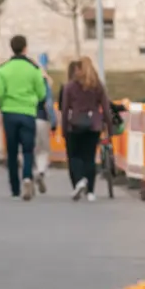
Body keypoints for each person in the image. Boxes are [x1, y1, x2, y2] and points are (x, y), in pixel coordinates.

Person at [0, 35, 47, 201]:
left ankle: (15, 189)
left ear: (11, 48)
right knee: (28, 150)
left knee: (12, 151)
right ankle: (27, 177)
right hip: (28, 113)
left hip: (9, 113)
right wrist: (34, 101)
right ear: (25, 48)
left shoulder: (3, 69)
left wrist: (2, 106)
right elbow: (42, 93)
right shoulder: (33, 69)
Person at [61, 56, 113, 202]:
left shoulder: (69, 87)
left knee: (75, 156)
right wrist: (109, 127)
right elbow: (106, 108)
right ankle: (91, 191)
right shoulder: (98, 86)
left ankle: (79, 181)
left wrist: (64, 129)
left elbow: (65, 109)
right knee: (89, 157)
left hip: (75, 124)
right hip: (93, 125)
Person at [33, 68, 57, 194]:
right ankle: (41, 171)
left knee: (29, 149)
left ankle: (30, 174)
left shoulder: (25, 82)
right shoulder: (44, 83)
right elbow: (48, 104)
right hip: (42, 119)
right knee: (43, 150)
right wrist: (53, 122)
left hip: (26, 118)